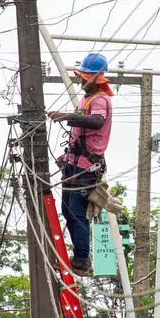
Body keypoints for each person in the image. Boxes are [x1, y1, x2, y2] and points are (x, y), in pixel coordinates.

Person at [48, 52, 114, 276]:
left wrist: (67, 116)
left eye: (84, 78)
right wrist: (66, 156)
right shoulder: (86, 99)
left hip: (86, 167)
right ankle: (79, 256)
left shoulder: (100, 100)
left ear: (95, 79)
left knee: (77, 213)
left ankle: (82, 260)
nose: (80, 81)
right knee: (67, 211)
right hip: (74, 164)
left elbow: (97, 122)